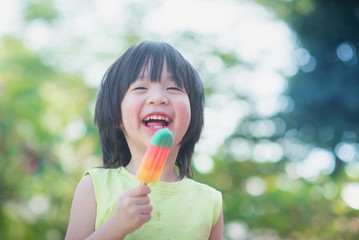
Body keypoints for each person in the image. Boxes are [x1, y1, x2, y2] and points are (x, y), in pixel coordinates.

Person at [65, 41, 223, 240]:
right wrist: (114, 227)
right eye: (140, 87)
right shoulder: (95, 187)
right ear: (115, 115)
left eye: (174, 88)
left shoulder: (209, 202)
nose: (158, 98)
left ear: (194, 115)